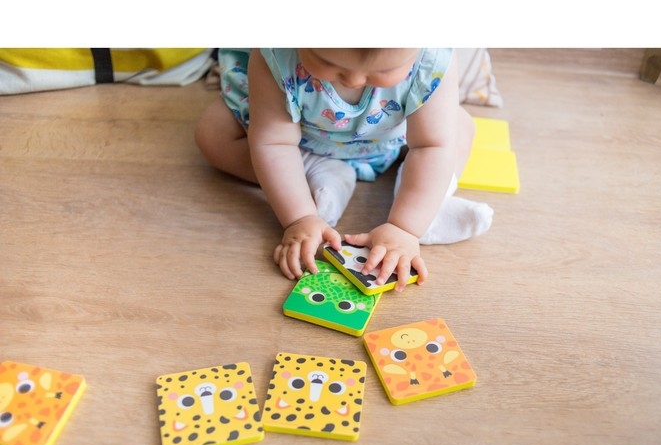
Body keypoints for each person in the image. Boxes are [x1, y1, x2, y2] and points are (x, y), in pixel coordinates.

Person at [195, 48, 493, 291]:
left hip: (398, 139)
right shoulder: (277, 53)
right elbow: (274, 143)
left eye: (384, 70)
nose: (353, 80)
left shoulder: (432, 59)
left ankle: (427, 210)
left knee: (459, 127)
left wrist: (404, 228)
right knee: (213, 133)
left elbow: (431, 146)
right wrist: (300, 217)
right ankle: (317, 175)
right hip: (305, 144)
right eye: (327, 62)